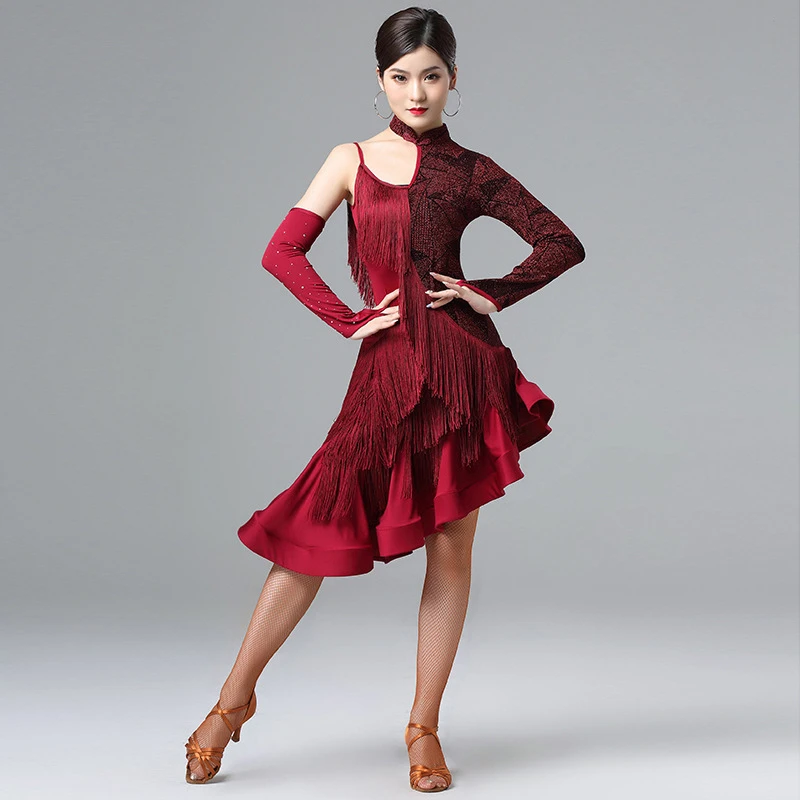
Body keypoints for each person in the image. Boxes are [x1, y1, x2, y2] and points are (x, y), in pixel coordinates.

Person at [183, 6, 586, 793]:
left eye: (431, 75)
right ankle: (233, 703)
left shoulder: (471, 170)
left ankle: (423, 727)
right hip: (385, 372)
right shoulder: (351, 160)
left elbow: (560, 241)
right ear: (380, 80)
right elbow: (282, 251)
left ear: (454, 79)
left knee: (451, 546)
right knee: (312, 528)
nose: (417, 91)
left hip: (462, 373)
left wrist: (488, 293)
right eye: (401, 76)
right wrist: (348, 318)